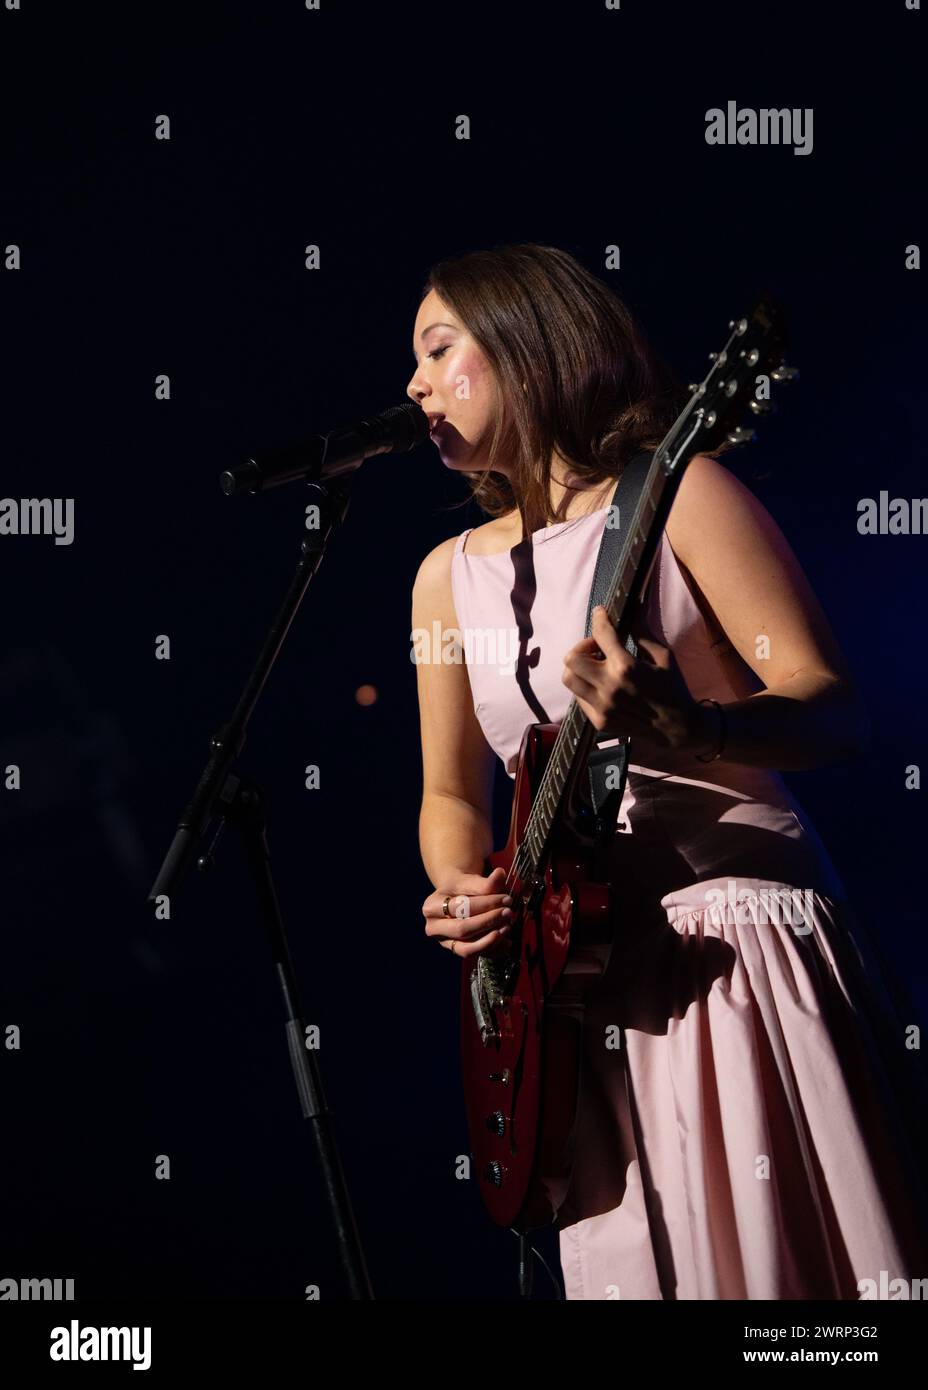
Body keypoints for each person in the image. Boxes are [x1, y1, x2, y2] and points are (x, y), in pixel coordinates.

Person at [407, 243, 928, 1300]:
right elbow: (452, 791)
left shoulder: (684, 494)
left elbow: (837, 711)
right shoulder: (440, 581)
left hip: (724, 951)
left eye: (438, 348)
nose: (415, 384)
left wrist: (696, 730)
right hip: (571, 991)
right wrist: (460, 885)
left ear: (525, 346)